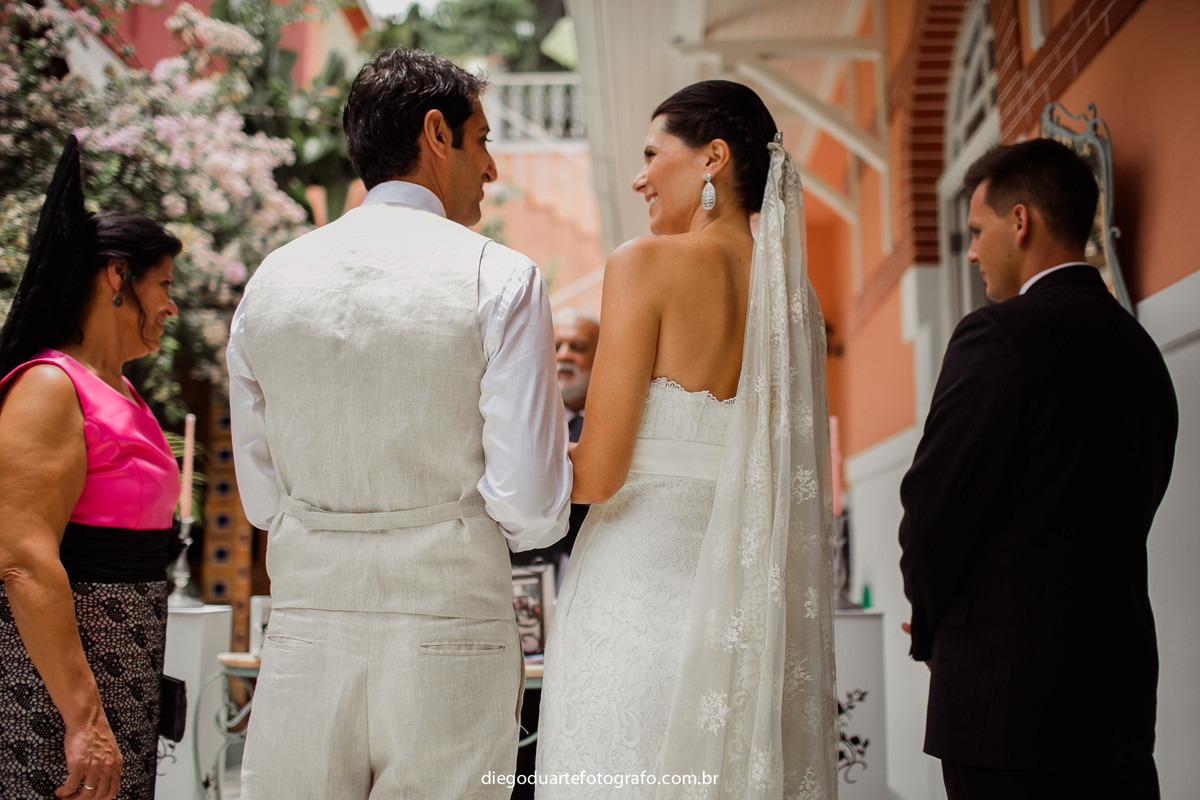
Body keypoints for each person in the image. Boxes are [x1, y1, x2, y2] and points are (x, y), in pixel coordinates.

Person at [226, 48, 572, 799]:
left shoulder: (270, 282)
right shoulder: (500, 276)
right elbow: (532, 508)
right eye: (483, 141)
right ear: (438, 134)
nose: (492, 168)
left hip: (307, 625)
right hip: (449, 623)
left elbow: (260, 498)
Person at [537, 80, 838, 798]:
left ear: (713, 157)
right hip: (740, 617)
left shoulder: (644, 264)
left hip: (634, 597)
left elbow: (599, 476)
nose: (638, 176)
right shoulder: (798, 302)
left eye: (650, 153)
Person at [898, 138, 1178, 799]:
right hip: (1119, 697)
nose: (970, 252)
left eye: (975, 230)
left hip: (1006, 705)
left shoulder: (997, 335)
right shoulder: (1140, 350)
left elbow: (933, 510)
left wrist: (932, 629)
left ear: (1019, 222)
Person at [0, 136, 184, 800]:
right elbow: (22, 557)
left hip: (123, 675)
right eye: (162, 285)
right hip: (56, 692)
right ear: (116, 276)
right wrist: (84, 720)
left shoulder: (125, 393)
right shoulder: (50, 386)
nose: (170, 306)